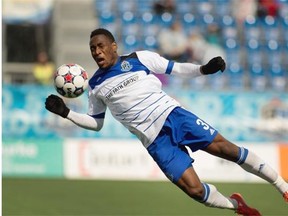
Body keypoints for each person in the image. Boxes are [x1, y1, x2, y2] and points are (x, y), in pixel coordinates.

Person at [45, 28, 288, 215]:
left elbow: (177, 68)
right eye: (92, 49)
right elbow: (96, 123)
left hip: (173, 116)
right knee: (194, 190)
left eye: (100, 46)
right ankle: (238, 206)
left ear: (113, 46)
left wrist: (204, 69)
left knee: (227, 149)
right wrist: (67, 113)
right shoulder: (95, 85)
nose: (96, 52)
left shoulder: (140, 58)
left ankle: (283, 187)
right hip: (155, 141)